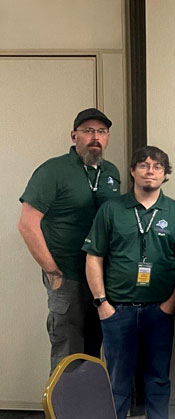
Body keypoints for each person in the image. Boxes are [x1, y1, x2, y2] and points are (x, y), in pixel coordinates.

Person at [83, 146, 175, 419]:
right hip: (117, 310)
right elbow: (94, 256)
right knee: (117, 381)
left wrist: (173, 302)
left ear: (165, 174)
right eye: (143, 165)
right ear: (132, 171)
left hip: (159, 310)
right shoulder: (112, 210)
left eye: (157, 167)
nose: (150, 171)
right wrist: (101, 303)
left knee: (158, 379)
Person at [18, 108, 121, 370]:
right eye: (88, 131)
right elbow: (27, 225)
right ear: (74, 135)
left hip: (101, 278)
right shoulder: (53, 170)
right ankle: (62, 412)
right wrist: (52, 270)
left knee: (94, 350)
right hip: (68, 276)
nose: (95, 137)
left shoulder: (111, 172)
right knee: (68, 352)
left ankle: (87, 411)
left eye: (101, 131)